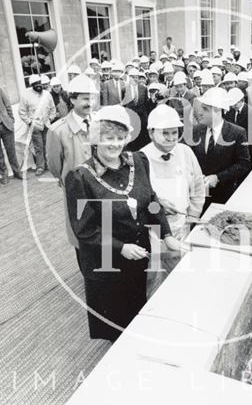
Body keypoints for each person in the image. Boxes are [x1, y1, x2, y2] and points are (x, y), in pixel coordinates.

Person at [65, 105, 180, 341]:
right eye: (108, 138)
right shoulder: (80, 177)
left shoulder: (138, 161)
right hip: (106, 264)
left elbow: (151, 201)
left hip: (137, 259)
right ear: (96, 139)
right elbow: (85, 231)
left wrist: (165, 233)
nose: (115, 144)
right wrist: (121, 248)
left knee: (137, 312)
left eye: (120, 138)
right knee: (115, 325)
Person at [141, 105, 204, 291]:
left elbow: (198, 186)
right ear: (152, 133)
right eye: (165, 133)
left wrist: (193, 216)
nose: (170, 139)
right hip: (152, 231)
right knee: (152, 279)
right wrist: (157, 206)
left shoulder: (185, 152)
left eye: (174, 133)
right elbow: (138, 198)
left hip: (182, 227)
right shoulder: (141, 158)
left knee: (179, 275)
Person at [47, 75, 97, 262]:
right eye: (85, 98)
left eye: (92, 98)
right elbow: (54, 166)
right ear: (72, 99)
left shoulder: (100, 122)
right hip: (78, 192)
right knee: (82, 233)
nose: (90, 103)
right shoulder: (57, 131)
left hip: (102, 189)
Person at [190, 87, 250, 207]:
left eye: (205, 109)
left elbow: (244, 164)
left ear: (217, 110)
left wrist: (218, 178)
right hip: (197, 197)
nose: (200, 112)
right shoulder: (196, 131)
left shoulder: (237, 133)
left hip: (223, 197)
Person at [18, 74, 57, 176]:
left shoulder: (47, 94)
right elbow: (22, 112)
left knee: (48, 145)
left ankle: (49, 164)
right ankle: (40, 167)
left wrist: (50, 119)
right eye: (35, 84)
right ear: (32, 85)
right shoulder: (26, 96)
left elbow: (53, 109)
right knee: (38, 147)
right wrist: (30, 123)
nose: (38, 85)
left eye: (39, 83)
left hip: (46, 124)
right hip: (35, 126)